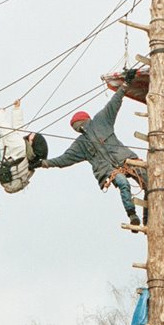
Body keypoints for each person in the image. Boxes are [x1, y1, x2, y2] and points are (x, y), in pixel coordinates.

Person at [39, 69, 148, 229]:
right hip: (110, 169)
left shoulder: (101, 120)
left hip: (124, 159)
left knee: (148, 183)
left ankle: (147, 219)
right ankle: (133, 215)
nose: (79, 128)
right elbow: (64, 159)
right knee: (125, 183)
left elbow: (114, 103)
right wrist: (44, 163)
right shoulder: (81, 143)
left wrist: (126, 84)